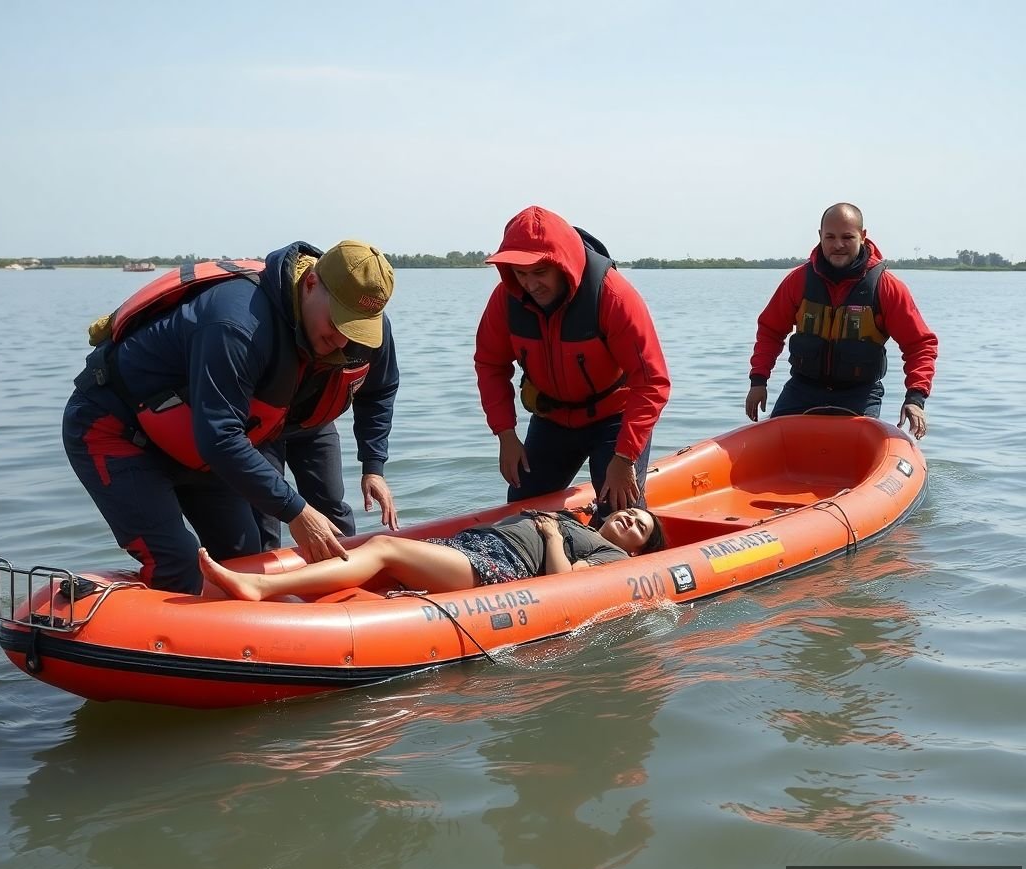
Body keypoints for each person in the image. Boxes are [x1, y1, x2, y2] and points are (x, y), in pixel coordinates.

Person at [63, 239, 400, 594]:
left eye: (356, 328)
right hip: (117, 432)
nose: (344, 341)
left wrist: (373, 463)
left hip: (198, 447)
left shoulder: (361, 330)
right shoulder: (238, 323)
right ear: (311, 283)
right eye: (338, 322)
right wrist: (297, 511)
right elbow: (221, 437)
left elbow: (379, 389)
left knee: (243, 555)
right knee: (176, 561)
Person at [474, 206, 671, 521]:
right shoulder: (505, 300)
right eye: (521, 274)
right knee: (521, 506)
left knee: (621, 514)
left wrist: (624, 458)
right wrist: (506, 435)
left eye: (540, 273)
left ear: (562, 265)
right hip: (553, 418)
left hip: (614, 418)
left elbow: (652, 382)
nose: (531, 285)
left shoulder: (613, 296)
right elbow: (490, 365)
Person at [744, 203, 938, 438]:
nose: (838, 245)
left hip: (859, 394)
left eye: (847, 237)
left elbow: (919, 344)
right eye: (830, 237)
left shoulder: (886, 287)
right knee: (770, 444)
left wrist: (915, 398)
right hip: (802, 389)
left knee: (854, 457)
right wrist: (758, 381)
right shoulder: (797, 281)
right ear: (820, 236)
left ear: (863, 237)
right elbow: (770, 331)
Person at [199, 506, 668, 602]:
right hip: (469, 548)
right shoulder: (574, 518)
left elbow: (565, 584)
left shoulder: (616, 560)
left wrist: (548, 537)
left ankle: (261, 585)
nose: (629, 519)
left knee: (381, 546)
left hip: (499, 570)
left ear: (640, 546)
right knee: (385, 555)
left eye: (639, 526)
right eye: (629, 513)